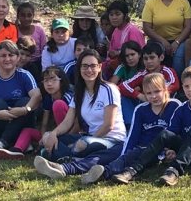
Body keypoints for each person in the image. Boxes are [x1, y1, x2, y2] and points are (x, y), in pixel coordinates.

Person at [36, 73, 181, 181]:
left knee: (126, 155)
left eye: (157, 91)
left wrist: (171, 150)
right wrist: (123, 151)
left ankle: (97, 172)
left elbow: (177, 133)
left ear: (165, 89)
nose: (153, 96)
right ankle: (64, 166)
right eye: (149, 93)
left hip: (155, 150)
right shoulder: (141, 109)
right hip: (136, 146)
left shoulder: (174, 106)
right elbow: (133, 136)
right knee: (118, 152)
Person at [111, 66, 191, 186]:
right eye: (186, 86)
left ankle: (174, 171)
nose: (190, 90)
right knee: (165, 133)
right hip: (186, 152)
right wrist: (169, 150)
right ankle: (133, 170)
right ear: (183, 87)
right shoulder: (181, 108)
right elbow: (170, 135)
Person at [40, 50, 126, 161]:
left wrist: (85, 141)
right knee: (49, 137)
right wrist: (53, 133)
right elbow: (67, 122)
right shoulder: (79, 93)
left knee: (82, 144)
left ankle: (63, 157)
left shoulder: (109, 89)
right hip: (89, 137)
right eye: (85, 66)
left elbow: (108, 125)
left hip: (112, 139)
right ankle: (70, 157)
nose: (89, 70)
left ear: (99, 67)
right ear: (79, 68)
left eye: (93, 66)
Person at [0, 40, 42, 158]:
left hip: (21, 117)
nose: (7, 59)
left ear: (17, 57)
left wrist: (25, 109)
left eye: (11, 55)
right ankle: (19, 141)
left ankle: (2, 143)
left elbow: (37, 96)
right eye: (3, 55)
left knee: (25, 101)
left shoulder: (24, 75)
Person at [7, 66, 76, 159]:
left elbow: (77, 121)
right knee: (28, 131)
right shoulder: (48, 98)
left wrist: (60, 136)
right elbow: (44, 123)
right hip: (55, 133)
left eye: (53, 80)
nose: (49, 84)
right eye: (46, 80)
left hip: (72, 133)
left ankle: (61, 143)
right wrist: (44, 138)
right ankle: (17, 150)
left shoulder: (69, 96)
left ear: (62, 81)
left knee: (58, 104)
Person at [142, 0, 191, 74]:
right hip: (157, 39)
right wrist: (163, 41)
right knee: (155, 55)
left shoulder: (183, 2)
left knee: (178, 57)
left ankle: (177, 83)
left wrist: (177, 42)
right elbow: (147, 28)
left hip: (180, 39)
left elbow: (188, 26)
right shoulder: (150, 4)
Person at [119, 42, 179, 124]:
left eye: (152, 57)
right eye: (145, 59)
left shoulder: (167, 71)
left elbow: (175, 85)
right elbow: (123, 86)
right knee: (124, 97)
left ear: (161, 57)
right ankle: (131, 124)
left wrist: (157, 92)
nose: (148, 61)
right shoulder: (142, 73)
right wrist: (140, 95)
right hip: (147, 103)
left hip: (165, 104)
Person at [105, 0, 146, 76]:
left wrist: (118, 53)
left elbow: (141, 53)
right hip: (119, 67)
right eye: (111, 14)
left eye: (117, 14)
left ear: (125, 15)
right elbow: (111, 52)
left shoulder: (133, 31)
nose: (114, 17)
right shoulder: (116, 31)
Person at [16, 2, 47, 74]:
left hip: (37, 62)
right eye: (23, 15)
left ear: (33, 16)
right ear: (18, 16)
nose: (26, 18)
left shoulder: (39, 30)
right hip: (19, 61)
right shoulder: (14, 31)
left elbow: (44, 49)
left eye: (29, 15)